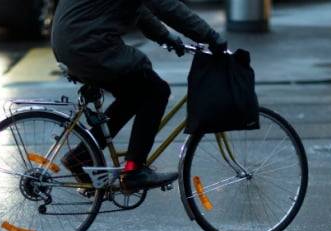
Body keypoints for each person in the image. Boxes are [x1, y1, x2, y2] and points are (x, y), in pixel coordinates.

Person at [51, 0, 227, 191]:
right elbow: (166, 6)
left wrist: (165, 37)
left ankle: (82, 155)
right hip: (89, 45)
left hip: (70, 44)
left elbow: (138, 8)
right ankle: (134, 170)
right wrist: (210, 36)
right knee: (155, 91)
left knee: (134, 94)